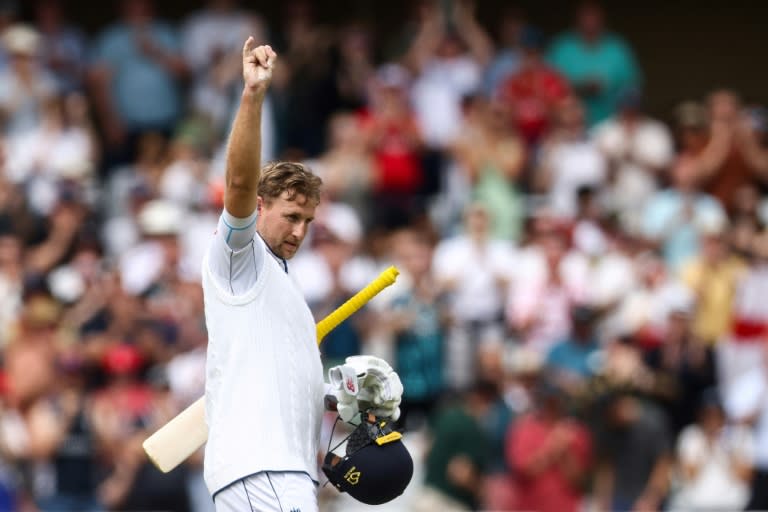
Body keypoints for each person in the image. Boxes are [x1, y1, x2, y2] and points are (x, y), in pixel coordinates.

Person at [202, 38, 403, 511]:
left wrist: (340, 398)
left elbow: (281, 385)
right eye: (290, 216)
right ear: (260, 207)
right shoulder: (240, 258)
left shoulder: (281, 284)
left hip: (282, 471)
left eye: (308, 221)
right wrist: (252, 95)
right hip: (262, 470)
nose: (300, 230)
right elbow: (236, 182)